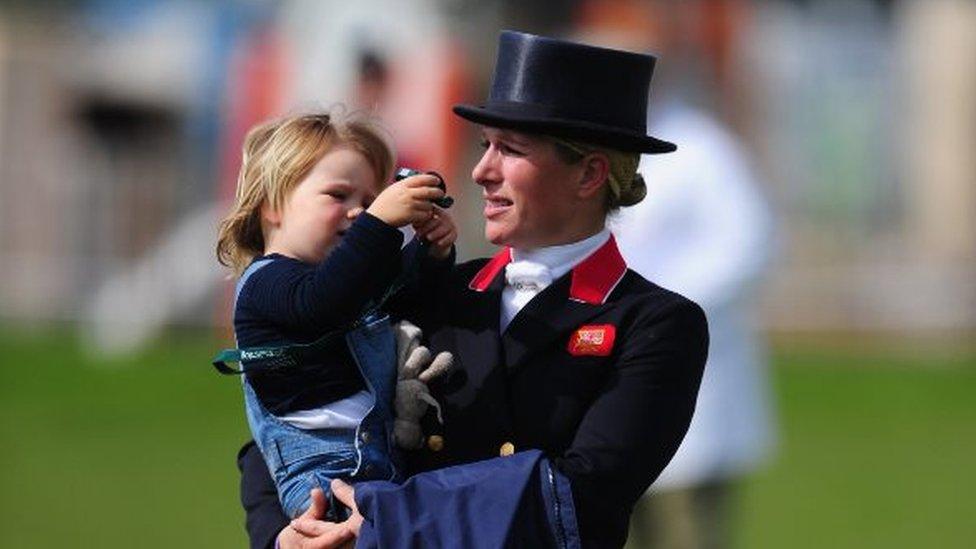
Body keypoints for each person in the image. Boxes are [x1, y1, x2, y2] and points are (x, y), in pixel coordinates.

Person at [238, 31, 709, 549]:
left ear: (590, 174)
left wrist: (386, 517)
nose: (481, 171)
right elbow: (292, 419)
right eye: (485, 145)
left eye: (510, 149)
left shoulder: (656, 322)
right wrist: (283, 536)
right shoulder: (436, 284)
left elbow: (583, 495)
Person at [214, 111, 457, 520]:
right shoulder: (266, 282)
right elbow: (321, 303)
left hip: (378, 469)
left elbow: (400, 290)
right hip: (325, 485)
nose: (358, 212)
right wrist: (379, 223)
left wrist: (430, 251)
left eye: (367, 201)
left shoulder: (346, 281)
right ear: (272, 206)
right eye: (338, 195)